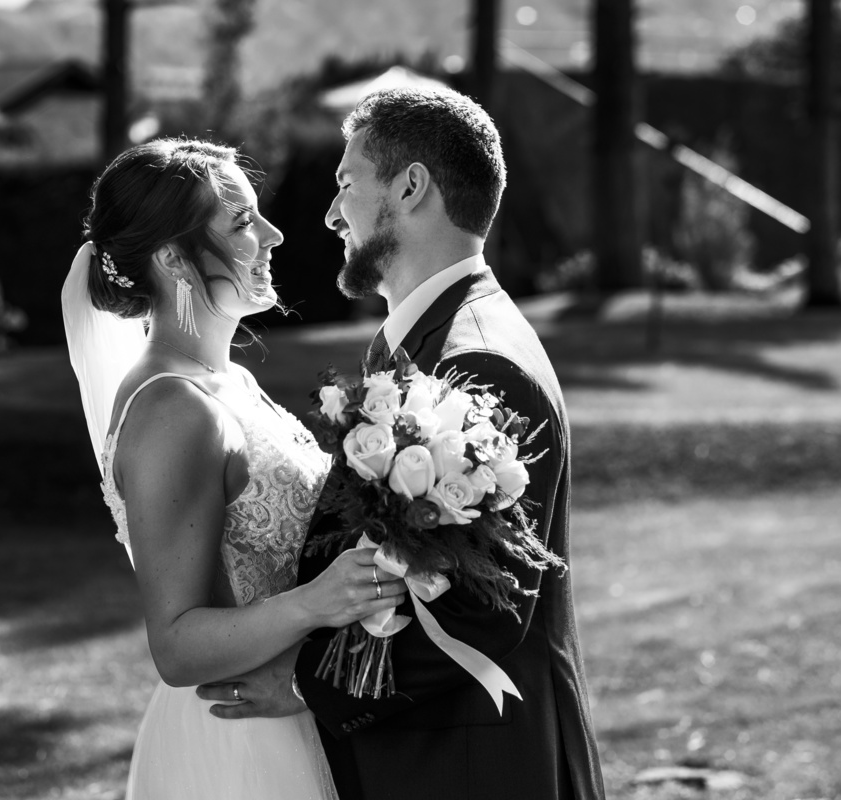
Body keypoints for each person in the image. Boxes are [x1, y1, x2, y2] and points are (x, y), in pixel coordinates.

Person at [197, 88, 607, 799]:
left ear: (411, 187)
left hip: (470, 768)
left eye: (346, 186)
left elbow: (486, 608)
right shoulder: (433, 341)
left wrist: (306, 681)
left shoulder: (478, 363)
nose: (330, 215)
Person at [61, 138, 407, 800]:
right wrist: (316, 601)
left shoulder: (231, 382)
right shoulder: (173, 412)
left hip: (294, 713)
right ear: (172, 260)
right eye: (244, 222)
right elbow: (178, 645)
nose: (275, 235)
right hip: (240, 749)